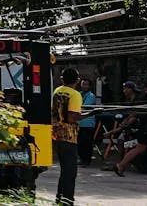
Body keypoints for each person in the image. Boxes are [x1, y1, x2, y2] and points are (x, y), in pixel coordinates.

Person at [52, 67, 83, 205]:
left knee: (64, 170)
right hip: (69, 136)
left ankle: (60, 198)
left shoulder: (57, 91)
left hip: (56, 135)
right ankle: (68, 201)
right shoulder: (75, 95)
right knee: (70, 171)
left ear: (62, 79)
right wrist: (90, 114)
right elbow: (72, 117)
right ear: (77, 80)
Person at [78, 78, 98, 166]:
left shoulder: (91, 96)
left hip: (88, 123)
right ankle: (82, 158)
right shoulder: (79, 94)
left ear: (89, 86)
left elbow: (85, 108)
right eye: (83, 84)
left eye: (86, 84)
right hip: (79, 122)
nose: (84, 86)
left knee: (87, 143)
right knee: (80, 142)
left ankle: (86, 160)